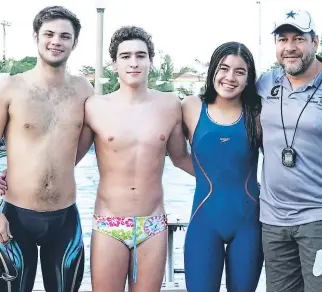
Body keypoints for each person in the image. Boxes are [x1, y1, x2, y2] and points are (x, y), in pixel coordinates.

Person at [75, 26, 194, 292]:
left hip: (152, 223)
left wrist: (227, 177)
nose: (134, 62)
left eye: (141, 55)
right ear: (114, 64)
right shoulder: (95, 106)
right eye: (125, 56)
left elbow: (181, 158)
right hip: (109, 222)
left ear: (151, 61)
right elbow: (70, 159)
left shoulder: (170, 105)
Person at [0, 6, 94, 292]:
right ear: (35, 37)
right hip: (16, 218)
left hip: (65, 218)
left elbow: (81, 148)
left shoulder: (84, 91)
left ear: (74, 43)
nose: (56, 41)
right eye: (49, 34)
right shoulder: (11, 88)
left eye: (65, 36)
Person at [257, 9, 322, 292]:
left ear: (315, 42)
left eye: (299, 39)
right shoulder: (265, 85)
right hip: (273, 222)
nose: (290, 47)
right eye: (282, 39)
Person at [182, 42, 263, 292]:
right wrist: (215, 177)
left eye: (240, 72)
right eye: (224, 68)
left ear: (249, 78)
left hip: (249, 223)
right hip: (204, 221)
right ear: (213, 71)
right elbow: (176, 156)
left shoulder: (257, 112)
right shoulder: (191, 107)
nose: (230, 77)